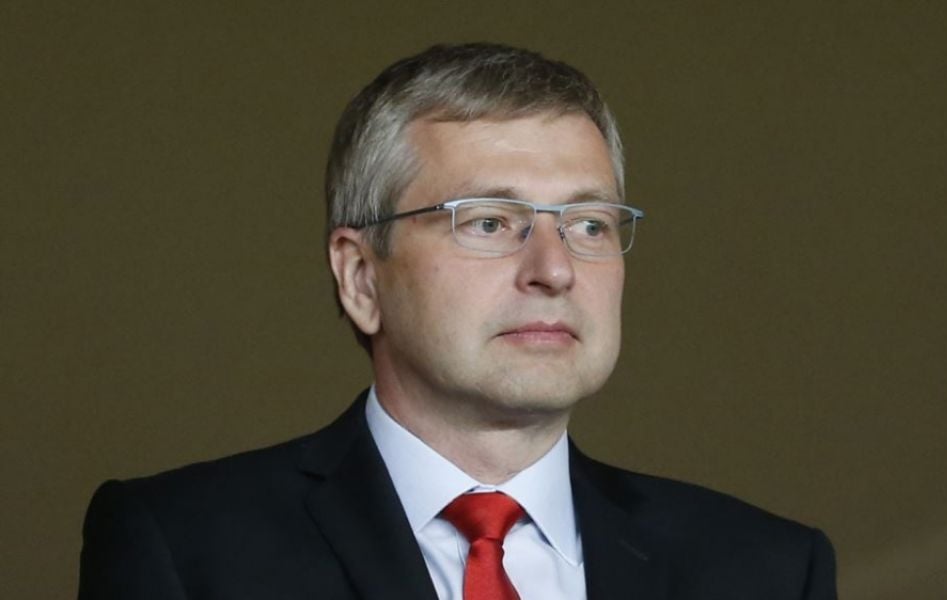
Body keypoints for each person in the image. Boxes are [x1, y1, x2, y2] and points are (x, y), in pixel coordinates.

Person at [78, 42, 837, 599]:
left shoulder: (767, 570)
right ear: (361, 276)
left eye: (590, 224)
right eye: (488, 222)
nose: (555, 269)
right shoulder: (186, 549)